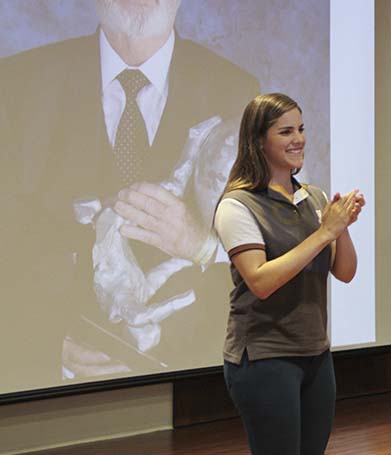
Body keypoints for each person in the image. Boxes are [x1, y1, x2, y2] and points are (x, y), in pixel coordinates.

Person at [0, 0, 259, 384]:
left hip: (193, 392)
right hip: (49, 396)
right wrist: (40, 342)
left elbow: (268, 260)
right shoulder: (17, 85)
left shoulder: (239, 93)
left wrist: (200, 243)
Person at [213, 93, 363, 455]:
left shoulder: (313, 197)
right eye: (285, 131)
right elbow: (261, 281)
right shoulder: (237, 205)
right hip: (264, 357)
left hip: (315, 353)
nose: (298, 139)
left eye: (301, 129)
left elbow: (345, 272)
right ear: (258, 140)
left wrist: (340, 227)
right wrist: (325, 232)